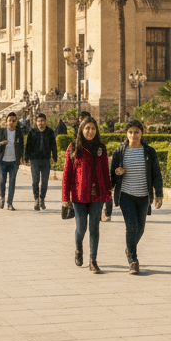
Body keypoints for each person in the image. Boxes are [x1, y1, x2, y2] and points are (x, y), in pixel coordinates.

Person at [109, 119, 163, 274]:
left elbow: (156, 174)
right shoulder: (120, 151)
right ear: (127, 134)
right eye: (131, 132)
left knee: (140, 228)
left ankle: (129, 247)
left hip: (143, 196)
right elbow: (112, 173)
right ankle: (133, 260)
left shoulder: (149, 151)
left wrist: (158, 194)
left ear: (141, 133)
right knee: (131, 227)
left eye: (137, 132)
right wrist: (116, 175)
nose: (134, 135)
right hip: (126, 195)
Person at [61, 116, 111, 273]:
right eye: (87, 128)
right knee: (81, 227)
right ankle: (78, 249)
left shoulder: (100, 148)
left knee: (94, 227)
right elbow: (67, 174)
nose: (90, 132)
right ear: (81, 130)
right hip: (79, 195)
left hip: (97, 195)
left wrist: (108, 192)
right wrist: (65, 198)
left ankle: (93, 260)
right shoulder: (74, 148)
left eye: (93, 129)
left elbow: (105, 171)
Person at [0, 112, 24, 210]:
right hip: (3, 161)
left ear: (16, 122)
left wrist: (21, 157)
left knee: (12, 182)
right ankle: (2, 197)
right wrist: (1, 143)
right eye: (10, 120)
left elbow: (22, 146)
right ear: (6, 122)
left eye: (14, 121)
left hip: (14, 162)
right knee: (2, 181)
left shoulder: (18, 132)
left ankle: (10, 203)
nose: (12, 122)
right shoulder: (1, 131)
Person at [24, 113, 57, 211]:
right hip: (35, 160)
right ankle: (36, 199)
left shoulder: (50, 132)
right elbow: (28, 146)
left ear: (45, 122)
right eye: (39, 121)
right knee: (35, 181)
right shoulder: (32, 132)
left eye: (42, 121)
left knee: (45, 181)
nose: (40, 123)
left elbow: (53, 145)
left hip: (46, 159)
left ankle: (42, 198)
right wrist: (26, 158)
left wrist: (54, 157)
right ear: (36, 122)